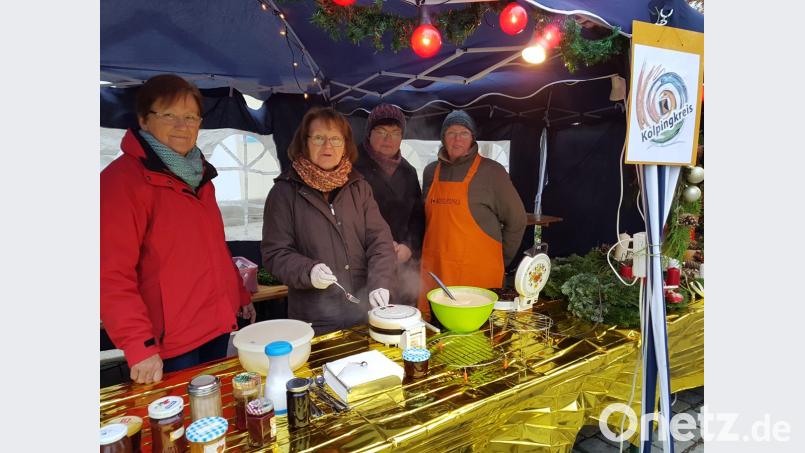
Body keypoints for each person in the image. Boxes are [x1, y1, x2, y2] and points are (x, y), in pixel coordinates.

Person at [101, 74, 256, 384]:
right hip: (169, 342)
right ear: (144, 120)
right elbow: (109, 274)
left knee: (212, 414)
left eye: (190, 117)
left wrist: (239, 295)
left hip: (214, 324)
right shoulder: (121, 181)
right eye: (169, 115)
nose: (182, 126)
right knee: (176, 425)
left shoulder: (201, 176)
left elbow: (214, 247)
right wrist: (139, 345)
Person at [261, 106, 397, 335]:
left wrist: (380, 282)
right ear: (304, 143)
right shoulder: (284, 193)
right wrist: (308, 270)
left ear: (345, 145)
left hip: (363, 314)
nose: (327, 146)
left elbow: (380, 241)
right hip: (315, 321)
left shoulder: (359, 187)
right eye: (319, 138)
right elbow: (275, 253)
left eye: (335, 139)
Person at [418, 110, 527, 321]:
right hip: (436, 271)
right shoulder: (431, 171)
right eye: (451, 132)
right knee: (436, 334)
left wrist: (501, 259)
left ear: (472, 138)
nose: (457, 138)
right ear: (443, 138)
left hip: (477, 276)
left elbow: (517, 220)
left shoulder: (492, 172)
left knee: (477, 337)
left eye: (464, 133)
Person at [353, 104, 425, 307]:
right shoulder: (351, 166)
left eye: (395, 133)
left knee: (402, 320)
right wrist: (383, 247)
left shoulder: (408, 171)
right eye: (381, 132)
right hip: (364, 264)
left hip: (403, 264)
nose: (388, 139)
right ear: (369, 134)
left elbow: (418, 218)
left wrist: (409, 248)